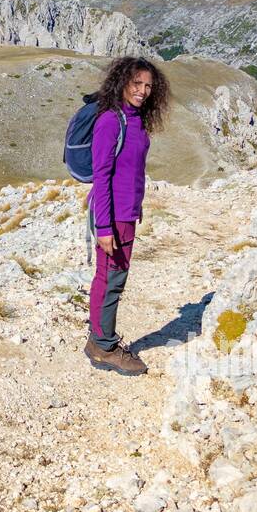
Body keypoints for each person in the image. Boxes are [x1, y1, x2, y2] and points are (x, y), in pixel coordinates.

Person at [84, 56, 169, 375]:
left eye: (148, 86)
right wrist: (104, 226)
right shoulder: (111, 121)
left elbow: (131, 171)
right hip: (112, 216)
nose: (143, 91)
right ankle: (103, 346)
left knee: (111, 278)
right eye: (137, 84)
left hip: (126, 212)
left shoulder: (136, 121)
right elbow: (101, 176)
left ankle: (100, 336)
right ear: (122, 82)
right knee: (110, 279)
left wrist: (137, 205)